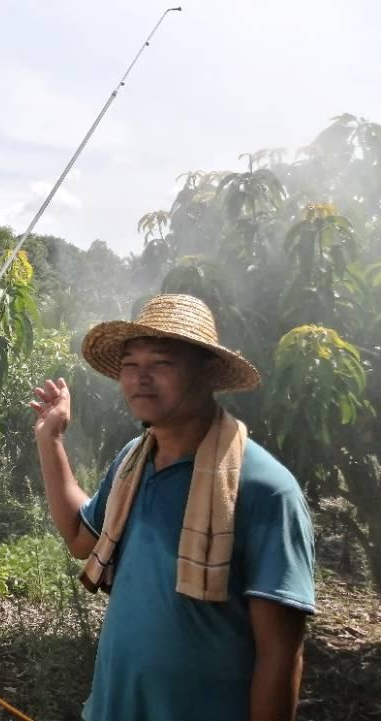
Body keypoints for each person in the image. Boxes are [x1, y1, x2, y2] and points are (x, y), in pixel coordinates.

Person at [31, 294, 315, 721]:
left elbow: (280, 654)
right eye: (130, 365)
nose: (140, 379)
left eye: (161, 364)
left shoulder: (263, 489)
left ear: (208, 374)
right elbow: (78, 536)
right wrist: (49, 439)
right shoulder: (134, 461)